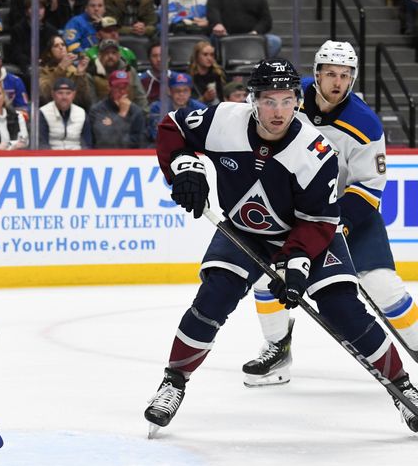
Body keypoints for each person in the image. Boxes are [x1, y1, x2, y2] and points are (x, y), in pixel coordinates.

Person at [144, 58, 418, 435]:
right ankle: (173, 383)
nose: (279, 111)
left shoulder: (314, 151)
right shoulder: (225, 120)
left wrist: (297, 263)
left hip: (307, 234)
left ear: (297, 102)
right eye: (269, 101)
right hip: (245, 231)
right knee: (214, 297)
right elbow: (172, 127)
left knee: (343, 308)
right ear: (252, 100)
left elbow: (320, 219)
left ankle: (402, 387)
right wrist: (184, 167)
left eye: (288, 100)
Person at [242, 41, 418, 387]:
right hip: (290, 211)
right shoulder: (290, 98)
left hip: (349, 214)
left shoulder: (365, 123)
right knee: (267, 276)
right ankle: (277, 350)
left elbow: (369, 185)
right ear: (317, 74)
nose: (338, 82)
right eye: (331, 74)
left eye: (345, 75)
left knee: (382, 285)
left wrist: (341, 225)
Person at [87, 39, 148, 116]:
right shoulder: (91, 73)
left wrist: (143, 115)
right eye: (106, 53)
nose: (110, 56)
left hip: (130, 115)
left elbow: (140, 96)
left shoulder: (129, 70)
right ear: (100, 56)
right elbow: (92, 103)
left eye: (114, 53)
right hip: (102, 116)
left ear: (119, 55)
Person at [89, 69, 146, 148]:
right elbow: (104, 141)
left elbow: (139, 142)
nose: (122, 92)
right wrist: (121, 115)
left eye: (125, 87)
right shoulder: (97, 110)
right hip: (104, 157)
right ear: (109, 87)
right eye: (118, 87)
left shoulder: (136, 111)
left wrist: (112, 126)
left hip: (131, 157)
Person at [207, 0, 281, 57]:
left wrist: (255, 32)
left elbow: (266, 21)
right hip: (225, 35)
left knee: (275, 41)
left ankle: (257, 67)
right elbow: (213, 11)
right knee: (212, 39)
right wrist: (217, 23)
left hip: (252, 37)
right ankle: (223, 70)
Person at [39, 34, 93, 111]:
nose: (61, 47)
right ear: (49, 53)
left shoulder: (74, 70)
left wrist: (80, 74)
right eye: (56, 46)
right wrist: (61, 69)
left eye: (63, 45)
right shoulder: (42, 71)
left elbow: (83, 99)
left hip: (74, 111)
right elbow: (45, 95)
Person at [6, 0, 58, 76]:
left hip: (47, 68)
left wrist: (44, 63)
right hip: (27, 68)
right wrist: (32, 63)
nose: (37, 11)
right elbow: (17, 54)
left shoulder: (52, 31)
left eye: (40, 8)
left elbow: (53, 52)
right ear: (27, 12)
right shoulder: (17, 30)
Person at [148, 72, 206, 142]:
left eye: (185, 90)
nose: (181, 94)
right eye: (177, 91)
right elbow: (156, 135)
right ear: (170, 91)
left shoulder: (200, 109)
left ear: (190, 92)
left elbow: (203, 136)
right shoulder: (158, 108)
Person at [39, 77, 92, 150]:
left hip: (77, 158)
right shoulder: (43, 112)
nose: (64, 97)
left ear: (74, 95)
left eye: (68, 93)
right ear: (53, 94)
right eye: (60, 93)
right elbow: (42, 144)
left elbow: (87, 144)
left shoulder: (81, 113)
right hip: (51, 158)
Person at [187, 40, 226, 106]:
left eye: (212, 55)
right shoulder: (189, 76)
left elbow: (223, 98)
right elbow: (187, 103)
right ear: (197, 56)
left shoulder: (218, 74)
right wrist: (204, 98)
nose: (209, 58)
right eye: (205, 54)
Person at [139, 38, 163, 104]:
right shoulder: (141, 80)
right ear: (149, 59)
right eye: (155, 56)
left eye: (162, 55)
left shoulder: (177, 79)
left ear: (169, 58)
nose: (159, 59)